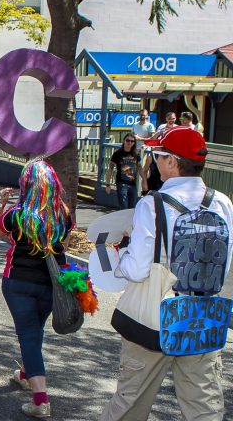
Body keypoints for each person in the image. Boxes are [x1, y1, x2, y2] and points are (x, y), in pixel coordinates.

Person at [102, 126, 233, 420]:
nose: (154, 161)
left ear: (173, 162)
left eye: (157, 155)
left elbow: (136, 270)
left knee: (130, 404)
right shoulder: (223, 203)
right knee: (204, 407)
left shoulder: (153, 204)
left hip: (155, 319)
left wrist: (119, 253)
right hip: (203, 317)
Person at [0, 159, 73, 418]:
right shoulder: (63, 213)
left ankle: (41, 400)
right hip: (51, 285)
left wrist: (1, 204)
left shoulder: (18, 213)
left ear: (26, 185)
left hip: (18, 282)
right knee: (35, 330)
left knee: (28, 334)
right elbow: (64, 246)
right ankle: (25, 374)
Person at [105, 134, 146, 209]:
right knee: (123, 207)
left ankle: (129, 221)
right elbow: (110, 168)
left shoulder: (136, 154)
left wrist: (144, 181)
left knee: (133, 208)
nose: (129, 143)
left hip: (133, 184)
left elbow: (140, 167)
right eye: (127, 140)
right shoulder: (117, 154)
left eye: (132, 141)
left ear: (134, 143)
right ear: (124, 141)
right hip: (121, 183)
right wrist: (107, 184)